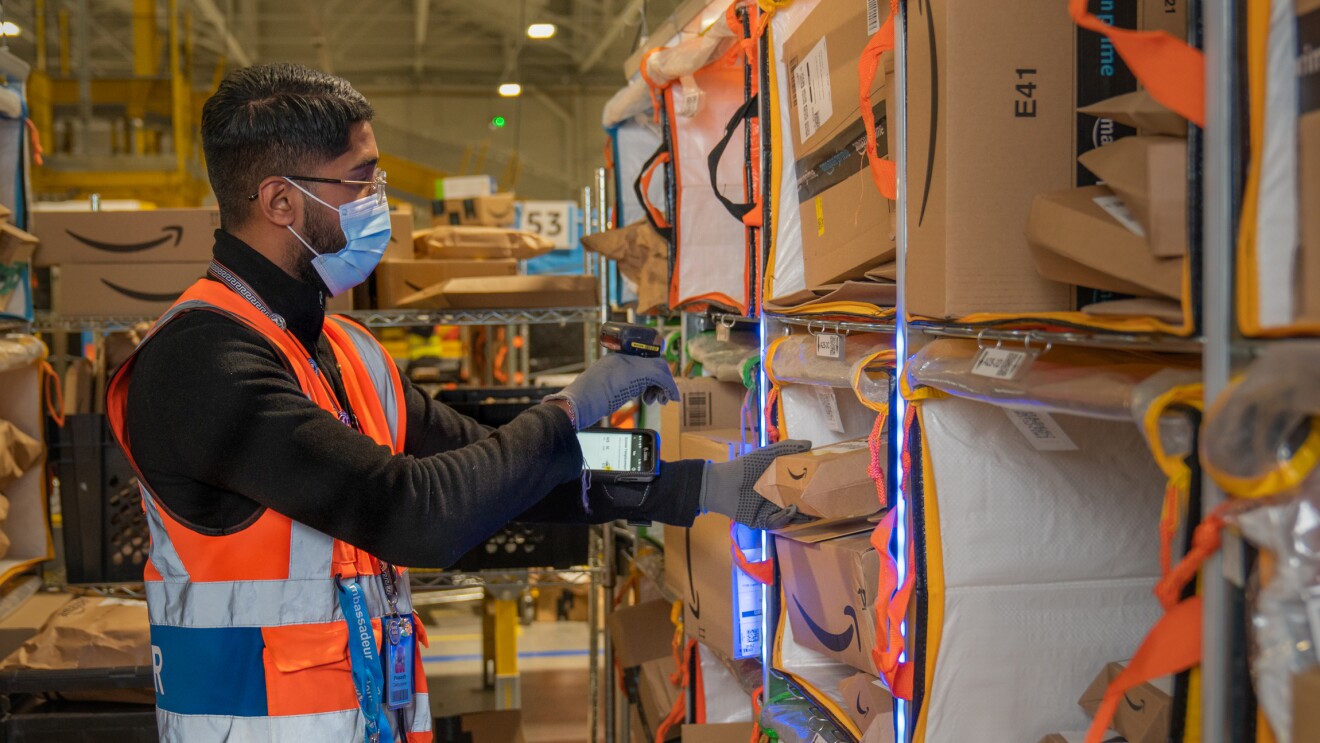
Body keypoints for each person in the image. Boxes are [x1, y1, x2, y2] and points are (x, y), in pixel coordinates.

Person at [103, 63, 808, 743]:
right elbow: (416, 512)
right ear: (281, 202)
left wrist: (697, 484)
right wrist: (568, 408)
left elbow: (498, 467)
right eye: (362, 180)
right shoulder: (201, 365)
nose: (382, 200)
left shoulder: (342, 350)